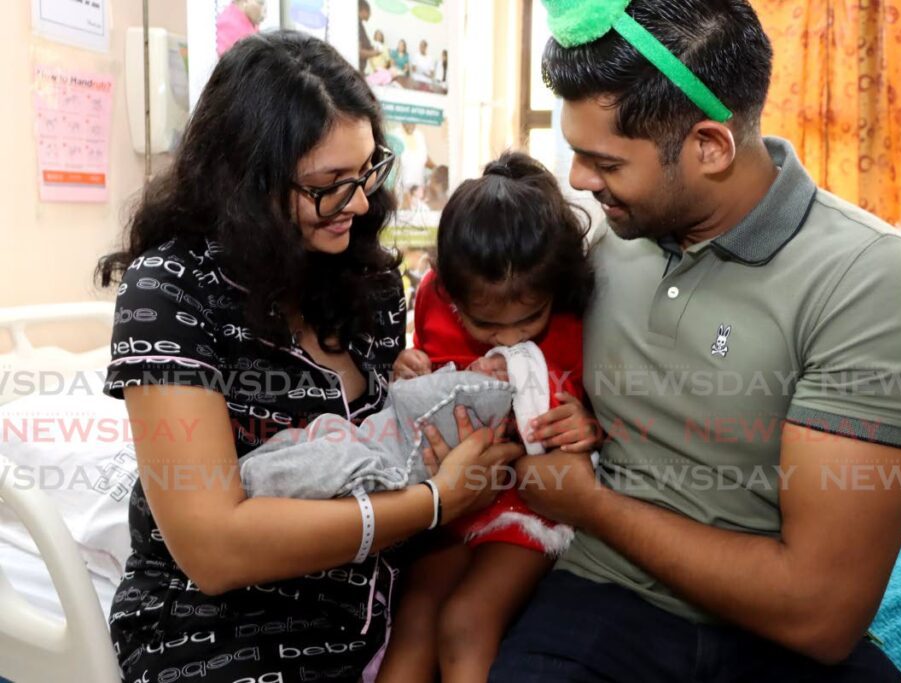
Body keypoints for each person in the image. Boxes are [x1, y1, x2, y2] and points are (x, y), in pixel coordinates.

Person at [486, 1, 901, 681]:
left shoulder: (867, 281)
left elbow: (819, 613)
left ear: (710, 146)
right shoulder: (603, 240)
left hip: (775, 634)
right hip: (601, 598)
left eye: (603, 161)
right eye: (575, 154)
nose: (580, 181)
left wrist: (591, 503)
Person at [95, 31, 520, 683]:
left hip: (367, 619)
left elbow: (380, 454)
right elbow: (214, 547)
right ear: (247, 182)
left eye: (367, 172)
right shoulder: (169, 291)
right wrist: (434, 501)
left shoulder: (370, 285)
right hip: (214, 636)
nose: (357, 203)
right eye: (329, 185)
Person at [377, 152, 601, 682]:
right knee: (413, 621)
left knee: (466, 620)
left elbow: (599, 412)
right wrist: (409, 369)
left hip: (528, 505)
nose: (508, 338)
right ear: (450, 296)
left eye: (529, 320)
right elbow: (428, 380)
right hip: (449, 499)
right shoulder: (433, 297)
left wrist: (588, 427)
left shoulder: (575, 313)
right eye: (486, 323)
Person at [358, 0, 379, 73]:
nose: (370, 15)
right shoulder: (356, 26)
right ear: (364, 10)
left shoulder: (360, 25)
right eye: (369, 12)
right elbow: (359, 52)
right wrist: (374, 53)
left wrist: (371, 49)